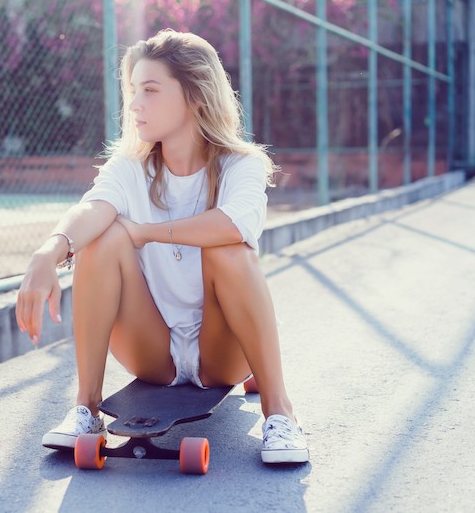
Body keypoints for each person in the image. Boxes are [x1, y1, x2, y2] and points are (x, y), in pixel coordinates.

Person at [16, 29, 308, 464]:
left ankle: (279, 413)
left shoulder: (240, 165)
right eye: (133, 91)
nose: (134, 104)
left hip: (220, 354)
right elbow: (93, 208)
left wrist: (150, 232)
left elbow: (235, 223)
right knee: (101, 238)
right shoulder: (130, 167)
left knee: (229, 247)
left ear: (195, 97)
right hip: (152, 351)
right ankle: (86, 408)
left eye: (150, 90)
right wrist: (50, 251)